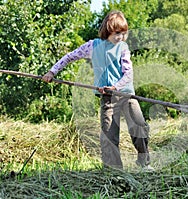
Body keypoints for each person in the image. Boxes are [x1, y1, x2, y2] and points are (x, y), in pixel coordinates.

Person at [42, 10, 153, 171]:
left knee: (139, 126)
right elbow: (69, 57)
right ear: (108, 30)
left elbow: (128, 74)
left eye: (123, 33)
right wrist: (52, 71)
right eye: (117, 33)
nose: (120, 37)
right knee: (108, 135)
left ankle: (144, 162)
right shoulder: (92, 46)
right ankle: (114, 170)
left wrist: (116, 87)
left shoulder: (123, 47)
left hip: (126, 94)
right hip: (107, 98)